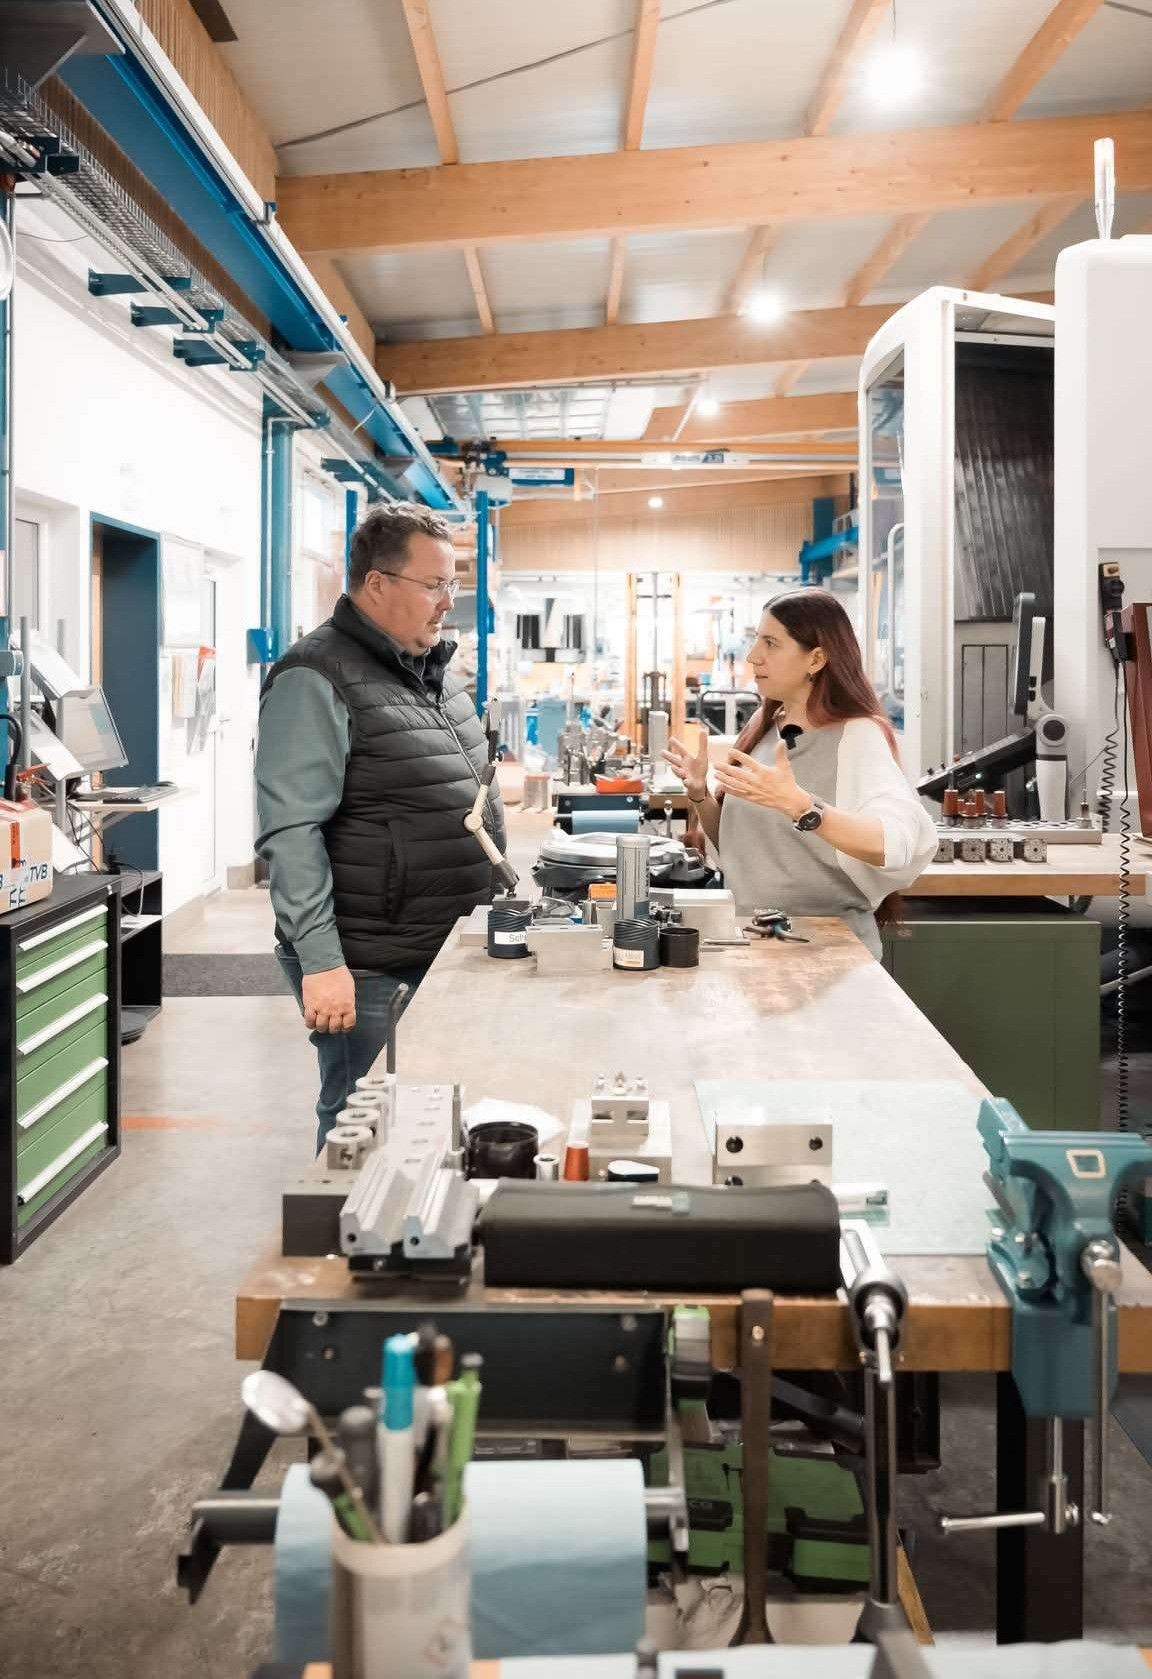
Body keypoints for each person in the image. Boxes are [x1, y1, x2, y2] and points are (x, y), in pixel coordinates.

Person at [255, 501, 505, 1149]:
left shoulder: (433, 674)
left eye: (454, 584)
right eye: (436, 584)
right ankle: (337, 1249)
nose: (449, 601)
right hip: (368, 962)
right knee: (359, 1124)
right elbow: (291, 832)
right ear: (376, 586)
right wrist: (321, 961)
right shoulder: (315, 675)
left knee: (430, 1118)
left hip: (436, 945)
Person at [663, 588, 936, 959]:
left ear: (816, 658)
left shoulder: (856, 734)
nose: (752, 656)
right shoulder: (765, 726)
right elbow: (739, 848)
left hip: (830, 947)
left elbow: (894, 844)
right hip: (763, 935)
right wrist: (699, 793)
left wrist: (803, 807)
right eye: (756, 640)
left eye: (771, 643)